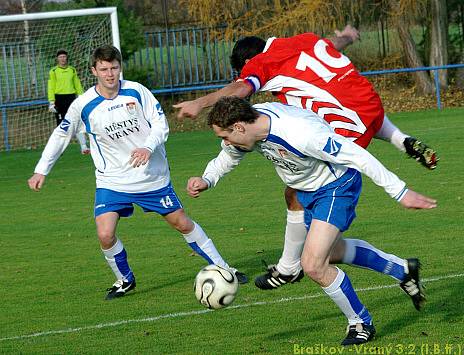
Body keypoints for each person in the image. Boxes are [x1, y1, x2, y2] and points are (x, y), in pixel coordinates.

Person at [175, 26, 439, 288]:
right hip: (369, 107)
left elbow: (241, 89)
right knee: (328, 247)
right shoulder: (303, 41)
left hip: (344, 126)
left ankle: (290, 270)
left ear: (248, 61)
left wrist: (200, 103)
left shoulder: (261, 63)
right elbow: (333, 44)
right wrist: (347, 36)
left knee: (302, 206)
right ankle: (400, 141)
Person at [187, 97, 436, 345]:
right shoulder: (249, 128)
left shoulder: (302, 134)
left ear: (239, 127)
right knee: (333, 252)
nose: (224, 142)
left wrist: (401, 192)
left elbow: (359, 156)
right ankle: (402, 269)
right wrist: (207, 178)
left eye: (224, 136)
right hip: (304, 189)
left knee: (314, 265)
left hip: (336, 187)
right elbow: (228, 156)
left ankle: (360, 322)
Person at [29, 45, 247, 301]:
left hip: (151, 177)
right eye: (104, 69)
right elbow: (62, 134)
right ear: (94, 71)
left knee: (182, 223)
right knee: (105, 233)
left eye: (114, 68)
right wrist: (42, 169)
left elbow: (160, 124)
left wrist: (147, 147)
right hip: (112, 181)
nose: (110, 74)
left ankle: (224, 268)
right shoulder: (84, 105)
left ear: (119, 68)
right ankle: (124, 279)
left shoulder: (137, 91)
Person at [48, 49, 90, 154]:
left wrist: (82, 96)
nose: (62, 59)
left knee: (77, 120)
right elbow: (51, 86)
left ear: (67, 58)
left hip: (71, 98)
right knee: (61, 124)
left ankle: (84, 147)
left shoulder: (72, 70)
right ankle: (58, 149)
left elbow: (77, 83)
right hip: (59, 99)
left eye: (64, 56)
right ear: (57, 59)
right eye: (60, 57)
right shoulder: (53, 71)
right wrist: (51, 102)